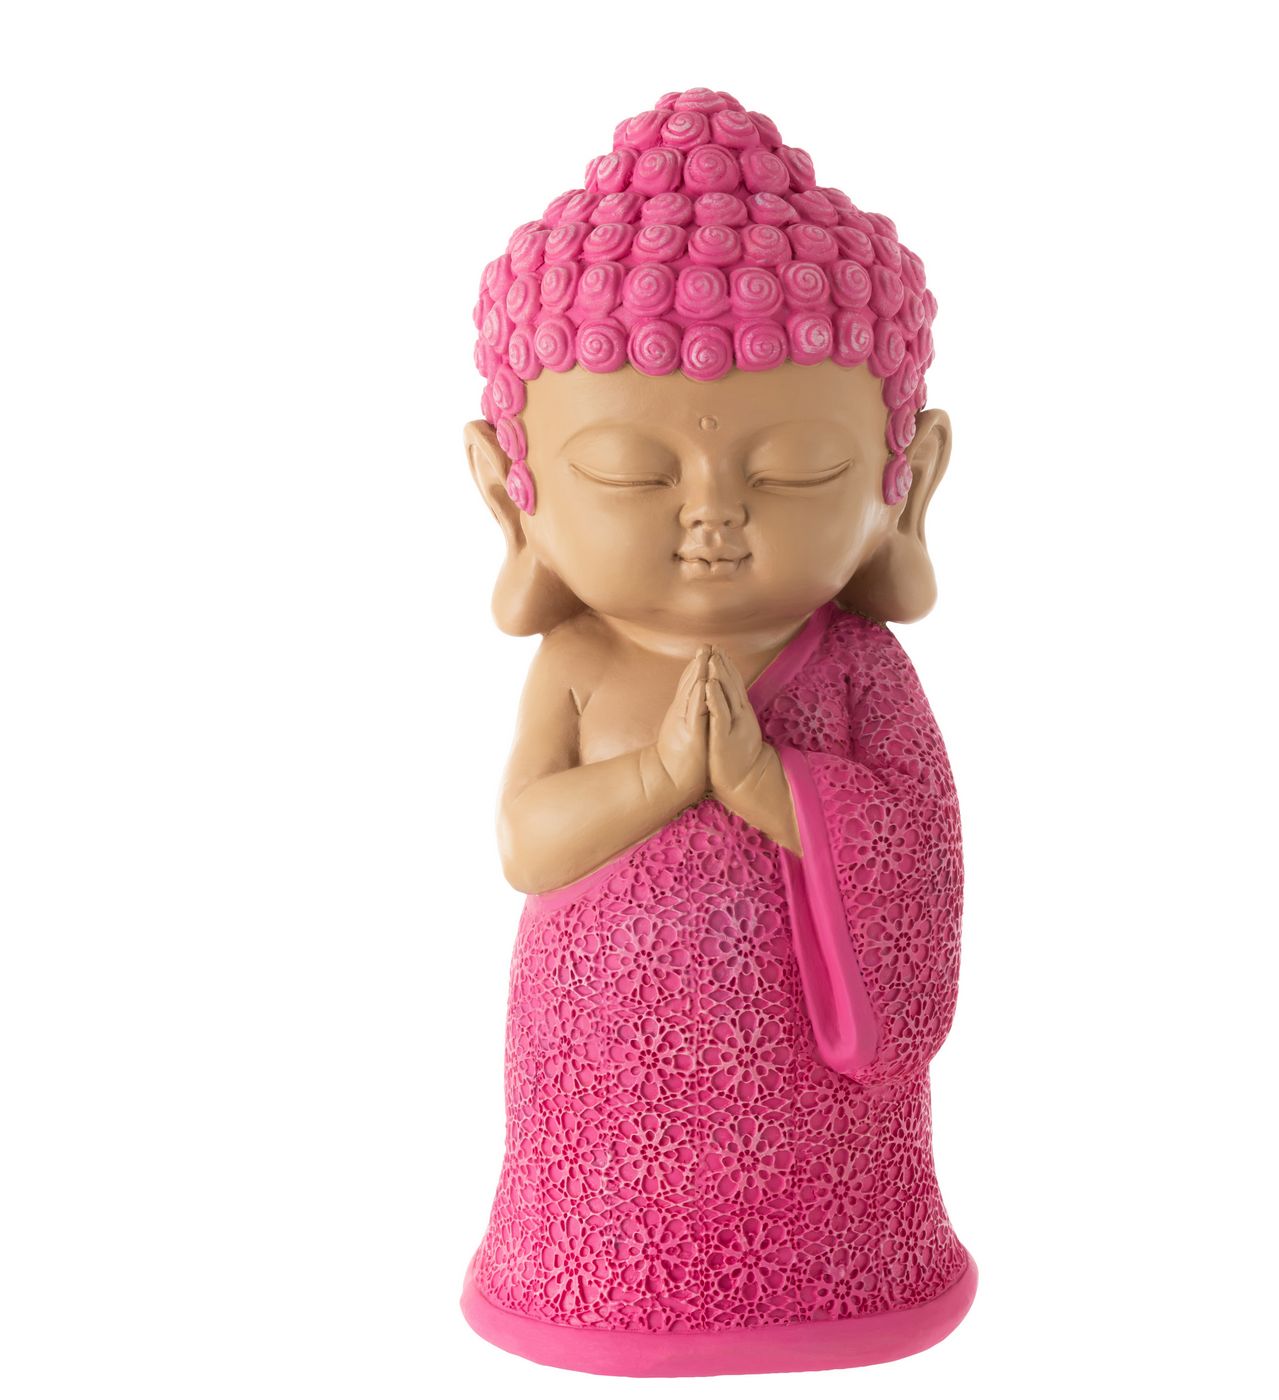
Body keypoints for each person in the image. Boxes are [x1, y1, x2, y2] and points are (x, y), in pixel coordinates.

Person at [458, 87, 975, 1377]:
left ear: (902, 484)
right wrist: (660, 775)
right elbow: (525, 841)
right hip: (599, 1102)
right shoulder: (581, 660)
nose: (712, 518)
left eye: (795, 472)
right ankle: (591, 1285)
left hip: (819, 1129)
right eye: (633, 474)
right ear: (514, 496)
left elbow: (921, 854)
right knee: (596, 1219)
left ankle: (844, 1283)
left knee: (830, 1214)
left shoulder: (858, 666)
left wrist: (764, 784)